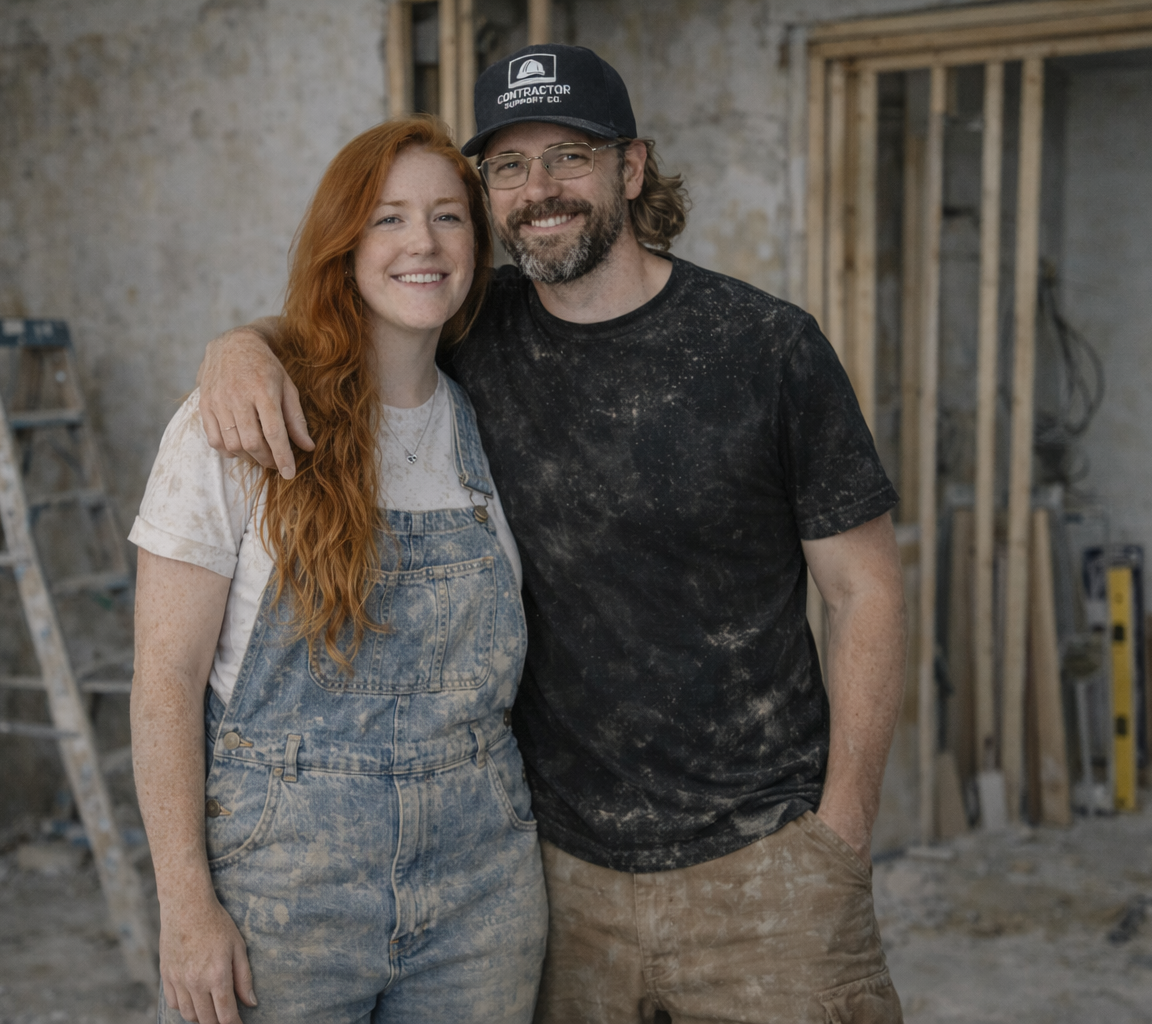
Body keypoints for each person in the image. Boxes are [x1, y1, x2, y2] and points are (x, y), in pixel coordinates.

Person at [197, 44, 907, 1024]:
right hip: (555, 881)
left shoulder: (765, 348)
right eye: (510, 166)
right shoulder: (472, 336)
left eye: (570, 155)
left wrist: (843, 831)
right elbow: (348, 316)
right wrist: (237, 347)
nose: (541, 190)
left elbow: (866, 590)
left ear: (631, 166)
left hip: (763, 870)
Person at [130, 116, 548, 1024]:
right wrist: (185, 907)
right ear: (343, 244)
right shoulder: (235, 424)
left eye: (448, 216)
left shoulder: (496, 423)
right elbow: (165, 681)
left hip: (482, 889)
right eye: (388, 219)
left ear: (478, 244)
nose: (423, 243)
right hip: (284, 891)